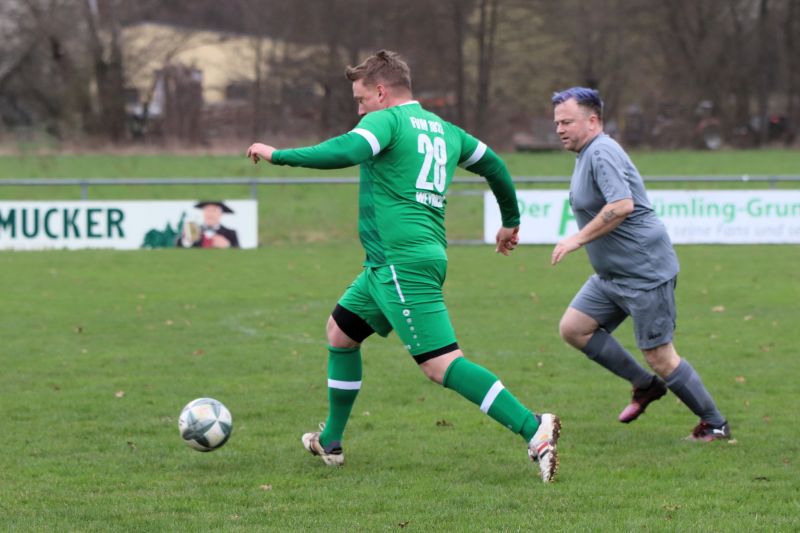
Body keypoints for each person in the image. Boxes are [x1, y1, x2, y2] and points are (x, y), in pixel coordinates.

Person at [247, 50, 561, 482]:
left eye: (361, 100)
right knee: (340, 333)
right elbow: (495, 166)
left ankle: (533, 427)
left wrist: (278, 154)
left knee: (440, 364)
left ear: (381, 92)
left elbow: (347, 149)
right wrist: (511, 221)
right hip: (391, 263)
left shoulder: (387, 121)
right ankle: (331, 441)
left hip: (401, 263)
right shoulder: (445, 130)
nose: (359, 111)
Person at [550, 87, 731, 441]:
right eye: (557, 122)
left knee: (660, 356)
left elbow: (621, 205)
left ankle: (715, 425)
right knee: (574, 328)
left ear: (593, 121)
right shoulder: (586, 154)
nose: (559, 129)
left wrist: (577, 239)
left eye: (567, 122)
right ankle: (644, 386)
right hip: (611, 275)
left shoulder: (601, 152)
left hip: (643, 272)